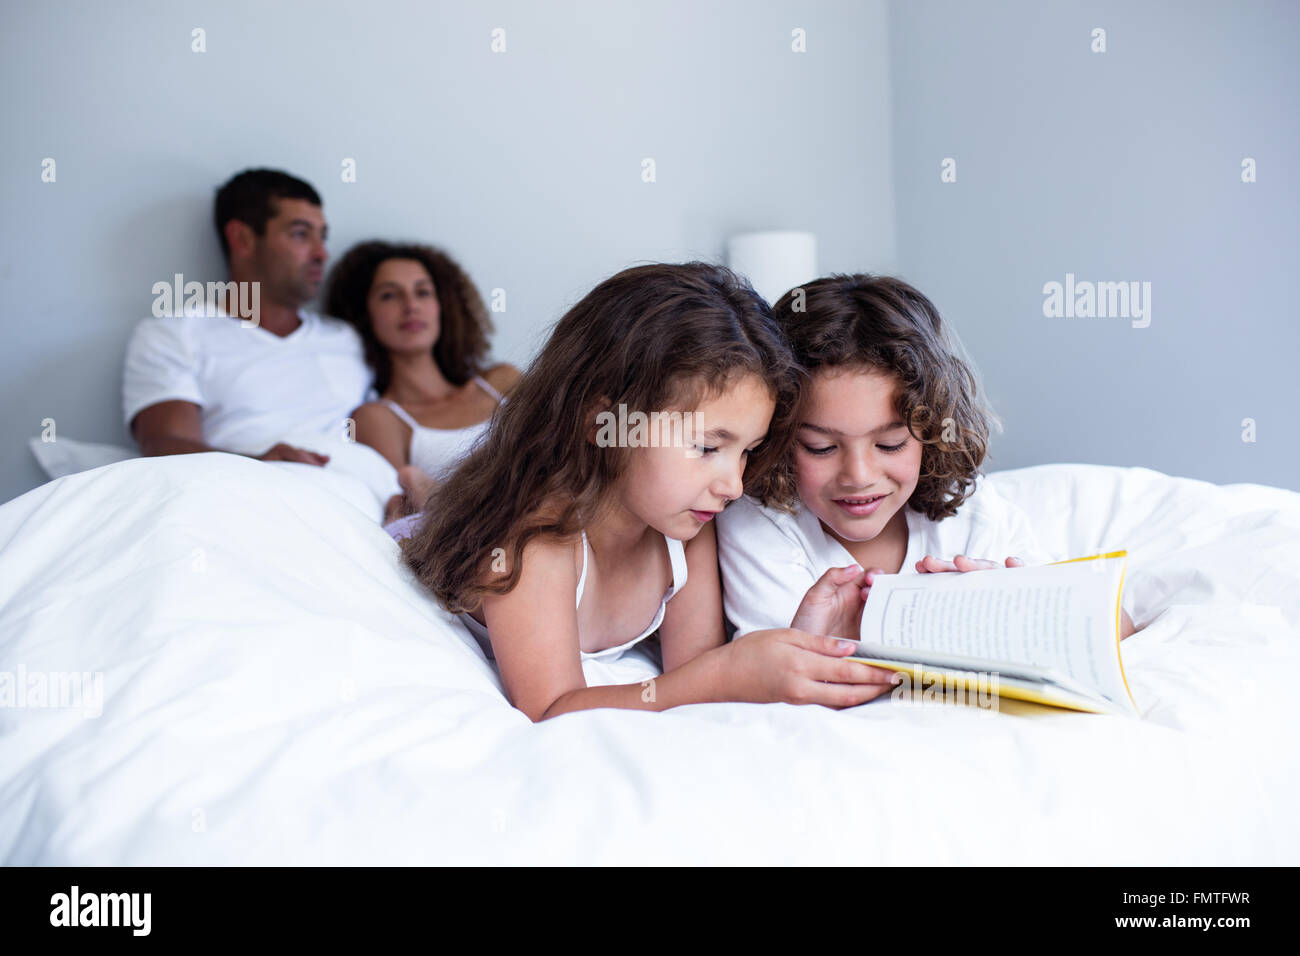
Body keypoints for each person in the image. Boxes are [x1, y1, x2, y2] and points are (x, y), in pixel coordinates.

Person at [400, 262, 900, 723]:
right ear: (606, 424)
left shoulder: (685, 524)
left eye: (747, 451)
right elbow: (550, 707)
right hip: (487, 527)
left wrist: (801, 639)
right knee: (432, 507)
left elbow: (694, 675)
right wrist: (726, 671)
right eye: (706, 447)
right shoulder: (532, 541)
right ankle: (419, 491)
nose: (733, 485)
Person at [715, 273, 1140, 640]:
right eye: (821, 447)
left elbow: (1110, 627)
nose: (859, 475)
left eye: (890, 444)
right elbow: (773, 674)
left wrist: (1015, 606)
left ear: (931, 433)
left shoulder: (974, 515)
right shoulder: (759, 523)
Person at [123, 168, 370, 466]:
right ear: (242, 239)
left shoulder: (348, 339)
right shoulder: (175, 334)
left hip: (368, 500)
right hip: (249, 496)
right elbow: (166, 448)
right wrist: (259, 464)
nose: (322, 254)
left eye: (323, 237)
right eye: (301, 234)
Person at [323, 241, 521, 523]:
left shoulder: (502, 381)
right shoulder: (378, 418)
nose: (411, 306)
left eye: (423, 292)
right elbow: (405, 517)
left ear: (442, 306)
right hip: (478, 530)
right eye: (390, 295)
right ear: (365, 314)